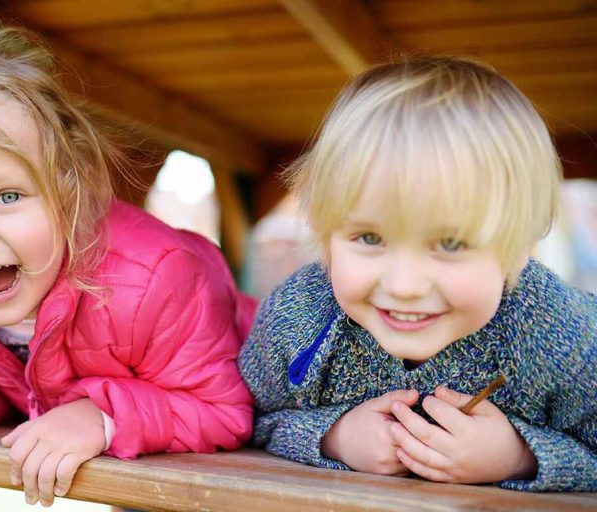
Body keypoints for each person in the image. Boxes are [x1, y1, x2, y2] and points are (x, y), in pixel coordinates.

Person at [0, 27, 256, 506]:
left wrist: (99, 417)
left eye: (7, 196)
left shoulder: (155, 278)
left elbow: (224, 410)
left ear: (66, 188)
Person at [238, 57, 596, 492]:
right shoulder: (295, 319)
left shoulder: (560, 331)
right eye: (369, 237)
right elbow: (249, 419)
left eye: (449, 244)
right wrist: (333, 436)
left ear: (518, 247)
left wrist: (520, 455)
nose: (404, 286)